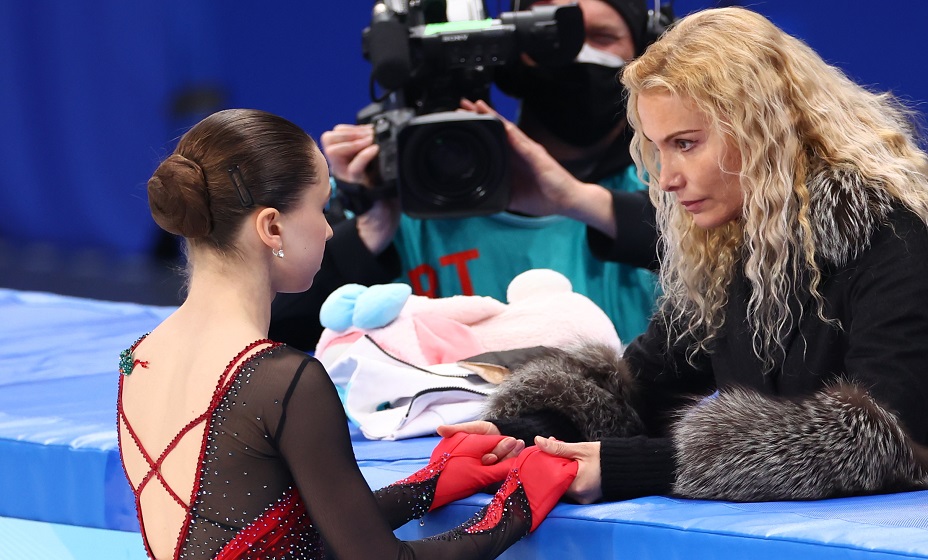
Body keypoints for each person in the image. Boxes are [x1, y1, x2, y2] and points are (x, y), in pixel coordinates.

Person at [440, 6, 928, 504]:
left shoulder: (898, 235)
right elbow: (637, 388)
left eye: (686, 144)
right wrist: (518, 435)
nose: (667, 179)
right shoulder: (735, 244)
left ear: (765, 131)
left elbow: (888, 440)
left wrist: (634, 468)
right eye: (658, 149)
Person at [116, 108, 578, 559]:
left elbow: (279, 535)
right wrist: (517, 509)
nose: (329, 231)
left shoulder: (137, 359)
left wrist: (430, 484)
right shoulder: (280, 380)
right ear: (272, 227)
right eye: (321, 208)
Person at [268, 0, 662, 351]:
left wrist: (580, 201)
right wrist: (367, 234)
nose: (576, 52)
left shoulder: (666, 183)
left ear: (645, 50)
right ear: (514, 54)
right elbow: (272, 330)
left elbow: (700, 262)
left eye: (602, 37)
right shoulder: (395, 190)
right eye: (552, 36)